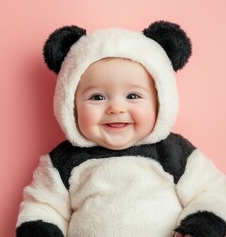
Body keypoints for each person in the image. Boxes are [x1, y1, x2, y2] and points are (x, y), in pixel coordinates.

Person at [15, 21, 226, 237]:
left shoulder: (174, 152)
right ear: (70, 104)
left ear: (160, 101)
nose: (116, 108)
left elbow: (212, 191)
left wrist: (200, 227)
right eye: (97, 97)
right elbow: (43, 207)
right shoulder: (61, 162)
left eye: (133, 96)